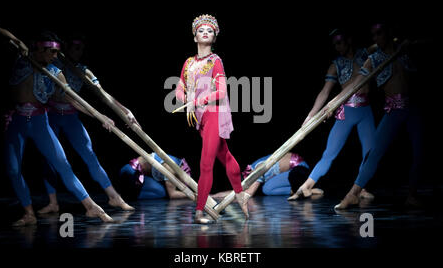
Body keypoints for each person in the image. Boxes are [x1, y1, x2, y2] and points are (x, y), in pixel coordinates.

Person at [0, 26, 114, 225]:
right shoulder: (22, 58)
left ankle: (91, 206)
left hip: (40, 123)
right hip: (17, 122)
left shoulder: (55, 72)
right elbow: (10, 36)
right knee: (13, 170)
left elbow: (73, 100)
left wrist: (99, 115)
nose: (56, 56)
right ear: (40, 49)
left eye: (57, 52)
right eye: (53, 52)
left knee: (63, 166)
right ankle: (29, 214)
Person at [38, 35, 135, 214]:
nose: (78, 52)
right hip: (51, 115)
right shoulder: (53, 66)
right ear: (66, 48)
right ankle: (53, 202)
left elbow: (103, 95)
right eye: (75, 47)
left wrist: (125, 110)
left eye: (81, 48)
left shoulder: (83, 71)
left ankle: (114, 196)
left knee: (90, 156)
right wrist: (99, 116)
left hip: (70, 117)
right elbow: (68, 97)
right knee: (50, 159)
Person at [334, 23, 423, 209]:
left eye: (379, 33)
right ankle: (353, 194)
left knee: (418, 152)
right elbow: (356, 84)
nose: (376, 38)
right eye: (373, 35)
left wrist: (410, 44)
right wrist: (332, 104)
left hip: (413, 107)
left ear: (389, 32)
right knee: (374, 153)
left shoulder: (404, 51)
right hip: (393, 109)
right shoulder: (373, 59)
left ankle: (412, 194)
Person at [174, 14, 250, 223]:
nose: (205, 33)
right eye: (201, 30)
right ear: (195, 37)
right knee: (224, 156)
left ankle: (199, 212)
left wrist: (197, 100)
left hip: (214, 113)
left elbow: (222, 92)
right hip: (201, 119)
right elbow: (179, 89)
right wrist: (186, 98)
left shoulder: (216, 61)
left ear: (214, 37)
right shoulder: (188, 63)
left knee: (206, 164)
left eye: (209, 31)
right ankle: (241, 194)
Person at [290, 29, 376, 200]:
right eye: (334, 44)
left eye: (340, 42)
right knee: (330, 153)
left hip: (365, 110)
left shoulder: (366, 55)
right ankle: (306, 186)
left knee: (370, 151)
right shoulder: (336, 64)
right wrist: (310, 116)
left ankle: (361, 187)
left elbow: (381, 46)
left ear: (349, 40)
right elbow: (324, 92)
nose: (337, 47)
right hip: (347, 111)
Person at [211, 152, 324, 198]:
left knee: (290, 178)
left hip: (299, 170)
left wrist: (217, 196)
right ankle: (299, 191)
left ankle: (311, 188)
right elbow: (241, 192)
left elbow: (248, 194)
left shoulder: (256, 170)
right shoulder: (252, 169)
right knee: (267, 189)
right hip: (289, 172)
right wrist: (215, 195)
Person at [119, 153, 192, 200]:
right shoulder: (171, 168)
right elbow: (172, 194)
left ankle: (129, 195)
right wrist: (193, 195)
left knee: (161, 192)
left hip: (142, 177)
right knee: (164, 192)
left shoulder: (178, 162)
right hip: (131, 171)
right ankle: (125, 195)